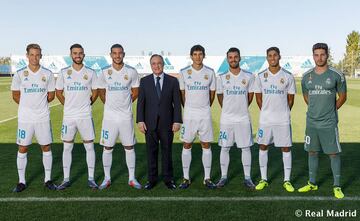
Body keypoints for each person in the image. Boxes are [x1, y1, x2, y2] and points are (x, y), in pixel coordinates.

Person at [298, 43, 347, 199]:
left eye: (322, 54)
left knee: (333, 153)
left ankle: (337, 185)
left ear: (327, 55)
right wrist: (315, 108)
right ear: (313, 56)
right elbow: (307, 96)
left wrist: (331, 110)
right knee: (312, 152)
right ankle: (312, 183)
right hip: (311, 122)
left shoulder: (336, 75)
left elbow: (343, 97)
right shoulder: (306, 76)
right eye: (316, 55)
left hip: (329, 122)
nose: (319, 58)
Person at [11, 43, 57, 192]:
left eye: (37, 55)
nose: (34, 58)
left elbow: (51, 95)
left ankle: (48, 179)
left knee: (46, 147)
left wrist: (39, 105)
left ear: (41, 56)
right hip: (25, 119)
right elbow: (16, 95)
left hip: (42, 117)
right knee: (23, 147)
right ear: (27, 56)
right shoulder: (19, 74)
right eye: (32, 55)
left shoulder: (48, 74)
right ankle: (22, 181)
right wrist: (28, 106)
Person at [97, 44, 141, 190]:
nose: (117, 56)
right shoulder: (104, 72)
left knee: (129, 146)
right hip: (109, 117)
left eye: (120, 53)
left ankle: (132, 178)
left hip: (125, 116)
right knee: (107, 147)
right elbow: (102, 92)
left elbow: (135, 91)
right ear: (110, 55)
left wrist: (125, 103)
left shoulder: (132, 71)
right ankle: (107, 178)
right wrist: (109, 104)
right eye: (114, 53)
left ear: (123, 54)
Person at [55, 43, 98, 190]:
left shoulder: (91, 72)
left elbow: (96, 91)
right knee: (67, 147)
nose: (77, 55)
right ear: (71, 55)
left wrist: (88, 103)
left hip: (85, 115)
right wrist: (67, 105)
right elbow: (58, 92)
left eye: (80, 53)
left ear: (83, 55)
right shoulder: (63, 72)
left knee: (89, 146)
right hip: (69, 116)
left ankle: (91, 178)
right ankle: (66, 179)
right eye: (75, 53)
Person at [253, 47, 296, 192]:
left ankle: (287, 180)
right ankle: (263, 179)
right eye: (270, 56)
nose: (272, 58)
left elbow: (291, 99)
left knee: (286, 148)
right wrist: (267, 111)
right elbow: (258, 98)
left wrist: (282, 112)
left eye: (275, 55)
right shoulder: (260, 76)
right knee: (263, 146)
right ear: (267, 58)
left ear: (279, 57)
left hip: (283, 119)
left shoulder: (288, 76)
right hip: (265, 120)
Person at [136, 54, 182, 190]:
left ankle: (169, 179)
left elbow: (177, 103)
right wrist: (140, 120)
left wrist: (177, 121)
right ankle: (152, 180)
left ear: (163, 64)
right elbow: (141, 103)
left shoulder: (173, 81)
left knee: (167, 152)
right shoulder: (144, 81)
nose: (157, 66)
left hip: (167, 123)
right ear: (151, 65)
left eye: (159, 63)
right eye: (154, 64)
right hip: (149, 123)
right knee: (151, 152)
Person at [216, 47, 256, 189]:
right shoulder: (221, 77)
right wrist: (228, 108)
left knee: (245, 148)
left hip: (243, 118)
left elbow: (250, 96)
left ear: (240, 58)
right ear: (227, 59)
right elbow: (220, 96)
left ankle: (247, 178)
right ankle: (223, 177)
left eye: (235, 57)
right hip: (226, 119)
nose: (233, 59)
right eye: (230, 57)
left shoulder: (249, 76)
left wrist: (241, 106)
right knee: (224, 147)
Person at [178, 45, 217, 189]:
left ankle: (207, 178)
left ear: (204, 56)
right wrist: (188, 107)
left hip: (204, 114)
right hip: (189, 115)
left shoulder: (210, 72)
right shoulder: (183, 72)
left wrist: (204, 107)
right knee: (186, 144)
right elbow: (182, 94)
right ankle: (186, 178)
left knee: (206, 145)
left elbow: (212, 95)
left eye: (200, 54)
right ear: (191, 56)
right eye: (195, 54)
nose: (198, 57)